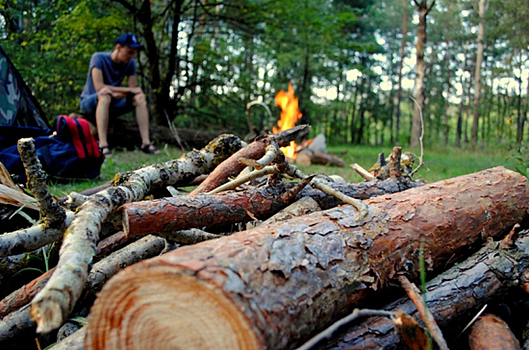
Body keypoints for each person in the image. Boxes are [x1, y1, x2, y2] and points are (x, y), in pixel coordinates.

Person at [80, 33, 159, 157]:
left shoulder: (130, 63)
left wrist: (117, 92)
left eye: (133, 53)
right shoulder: (98, 58)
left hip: (113, 102)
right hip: (90, 102)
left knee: (140, 97)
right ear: (118, 47)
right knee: (105, 95)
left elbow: (133, 91)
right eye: (129, 52)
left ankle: (146, 143)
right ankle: (103, 145)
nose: (131, 56)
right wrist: (123, 91)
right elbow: (99, 87)